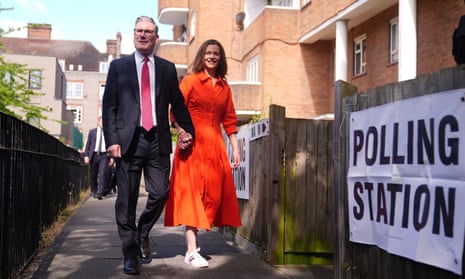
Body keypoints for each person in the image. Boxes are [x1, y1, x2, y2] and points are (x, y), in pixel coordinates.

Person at [102, 16, 194, 275]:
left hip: (157, 140)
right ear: (134, 35)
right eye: (139, 31)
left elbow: (177, 103)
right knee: (126, 200)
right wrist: (112, 141)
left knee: (161, 192)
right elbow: (109, 105)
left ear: (156, 37)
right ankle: (130, 254)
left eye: (149, 32)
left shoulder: (166, 68)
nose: (143, 35)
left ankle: (143, 230)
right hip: (128, 142)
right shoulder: (119, 67)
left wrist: (187, 130)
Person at [164, 39, 242, 268]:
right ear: (202, 55)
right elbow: (175, 111)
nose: (212, 56)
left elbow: (229, 120)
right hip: (192, 146)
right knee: (192, 194)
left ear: (221, 57)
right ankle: (191, 250)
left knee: (213, 195)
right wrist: (181, 132)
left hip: (215, 146)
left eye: (216, 53)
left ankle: (194, 245)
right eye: (208, 53)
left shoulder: (225, 87)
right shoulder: (190, 81)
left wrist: (236, 148)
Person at [82, 116, 112, 200]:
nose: (103, 123)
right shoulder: (92, 132)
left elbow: (110, 145)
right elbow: (88, 144)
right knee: (93, 174)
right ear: (98, 122)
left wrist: (112, 158)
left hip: (104, 155)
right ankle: (93, 190)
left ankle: (100, 192)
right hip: (94, 155)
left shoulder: (108, 132)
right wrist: (86, 156)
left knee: (103, 172)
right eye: (101, 122)